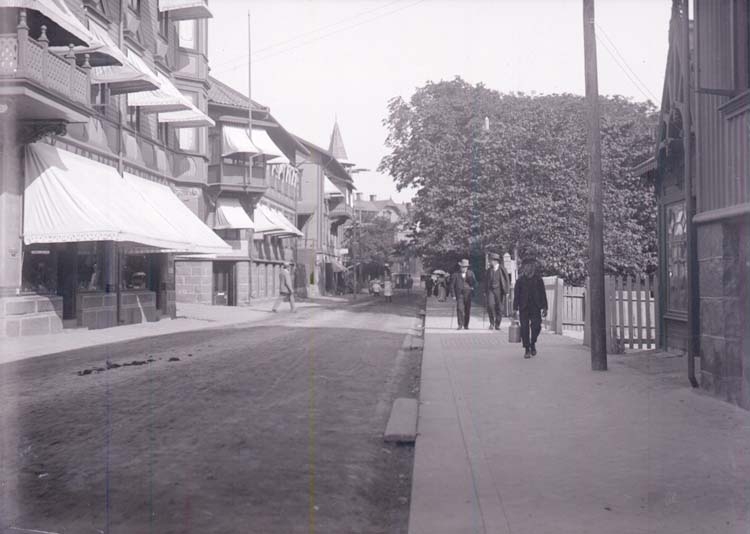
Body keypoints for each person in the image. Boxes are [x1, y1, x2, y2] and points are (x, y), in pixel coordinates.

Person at [513, 258, 548, 358]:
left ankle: (533, 343)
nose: (528, 268)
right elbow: (516, 296)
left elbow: (543, 294)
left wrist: (545, 307)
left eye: (531, 266)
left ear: (533, 267)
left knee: (536, 327)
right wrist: (515, 309)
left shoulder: (538, 280)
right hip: (523, 307)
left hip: (535, 307)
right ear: (524, 268)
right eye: (526, 266)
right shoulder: (520, 280)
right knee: (524, 328)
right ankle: (527, 349)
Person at [484, 253, 509, 330]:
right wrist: (485, 291)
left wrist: (507, 291)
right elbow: (486, 281)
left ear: (495, 261)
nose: (490, 262)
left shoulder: (502, 269)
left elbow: (507, 280)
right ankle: (491, 323)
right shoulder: (489, 270)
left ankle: (497, 324)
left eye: (491, 260)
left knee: (499, 308)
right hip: (491, 290)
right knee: (490, 306)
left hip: (499, 290)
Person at [451, 258, 477, 330]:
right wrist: (453, 295)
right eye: (463, 267)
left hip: (468, 294)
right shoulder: (455, 274)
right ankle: (460, 324)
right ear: (460, 266)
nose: (464, 268)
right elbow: (452, 285)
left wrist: (473, 287)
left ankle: (466, 325)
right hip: (459, 295)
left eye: (466, 267)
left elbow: (475, 283)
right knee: (459, 309)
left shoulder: (471, 273)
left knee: (467, 310)